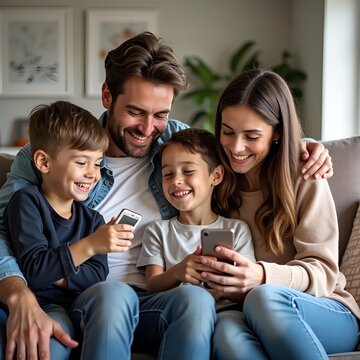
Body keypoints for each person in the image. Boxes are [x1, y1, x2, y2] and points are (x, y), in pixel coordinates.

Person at [0, 32, 334, 360]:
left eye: (161, 114)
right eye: (136, 112)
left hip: (154, 299)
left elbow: (243, 149)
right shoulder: (53, 156)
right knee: (111, 297)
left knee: (196, 300)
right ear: (106, 96)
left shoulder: (178, 144)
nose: (148, 128)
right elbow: (5, 230)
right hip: (86, 296)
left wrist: (303, 148)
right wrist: (18, 296)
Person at [198, 69, 360, 359]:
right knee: (225, 332)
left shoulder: (305, 174)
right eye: (227, 131)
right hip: (245, 311)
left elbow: (323, 272)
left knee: (264, 297)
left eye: (252, 136)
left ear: (278, 133)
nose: (236, 147)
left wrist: (261, 276)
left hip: (325, 309)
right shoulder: (214, 178)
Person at [2, 101, 137, 359]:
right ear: (43, 162)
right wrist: (90, 246)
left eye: (97, 164)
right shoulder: (27, 203)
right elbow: (33, 270)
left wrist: (55, 270)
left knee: (54, 338)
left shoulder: (93, 221)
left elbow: (96, 275)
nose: (92, 174)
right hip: (24, 306)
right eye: (81, 162)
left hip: (64, 309)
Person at [137, 128, 255, 310]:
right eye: (168, 174)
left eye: (188, 171)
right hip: (179, 311)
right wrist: (178, 272)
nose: (176, 180)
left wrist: (221, 287)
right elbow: (152, 287)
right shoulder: (157, 231)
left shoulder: (237, 229)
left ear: (215, 176)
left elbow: (248, 288)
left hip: (226, 313)